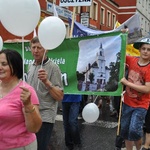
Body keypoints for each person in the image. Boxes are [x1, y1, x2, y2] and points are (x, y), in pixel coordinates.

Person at [0, 49, 42, 150]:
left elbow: (34, 128)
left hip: (19, 146)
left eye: (4, 64)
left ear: (15, 65)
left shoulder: (26, 91)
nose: (0, 67)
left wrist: (28, 105)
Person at [27, 36, 64, 150]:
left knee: (40, 147)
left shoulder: (53, 68)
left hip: (45, 116)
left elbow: (60, 96)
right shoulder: (30, 66)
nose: (36, 51)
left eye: (39, 47)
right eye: (33, 47)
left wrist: (47, 82)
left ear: (46, 50)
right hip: (30, 113)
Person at [120, 35, 150, 150]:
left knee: (134, 130)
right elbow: (121, 52)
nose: (146, 52)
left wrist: (127, 83)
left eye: (149, 49)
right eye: (144, 49)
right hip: (128, 102)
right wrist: (123, 36)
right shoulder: (132, 60)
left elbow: (147, 89)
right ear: (139, 49)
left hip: (141, 105)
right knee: (125, 130)